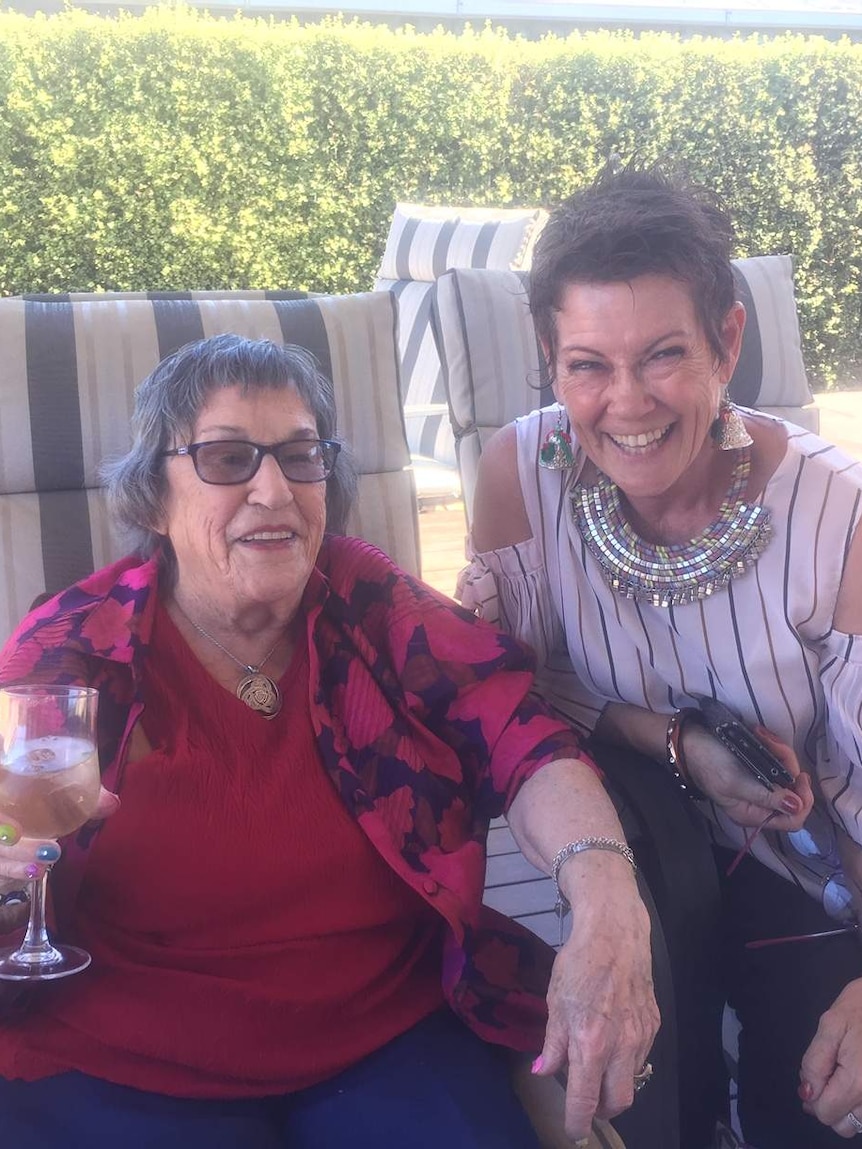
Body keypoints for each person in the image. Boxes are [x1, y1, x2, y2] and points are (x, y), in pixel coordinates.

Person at [0, 334, 657, 1149]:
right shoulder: (73, 648)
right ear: (153, 498)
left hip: (385, 1036)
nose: (273, 489)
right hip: (124, 1055)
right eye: (228, 458)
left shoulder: (371, 604)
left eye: (300, 456)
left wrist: (605, 900)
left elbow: (523, 735)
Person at [465, 165, 862, 1149]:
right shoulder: (524, 472)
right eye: (587, 363)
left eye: (663, 356)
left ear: (728, 340)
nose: (626, 403)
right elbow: (512, 702)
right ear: (548, 360)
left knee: (818, 1106)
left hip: (824, 872)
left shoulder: (834, 515)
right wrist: (673, 741)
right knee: (638, 1101)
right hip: (634, 845)